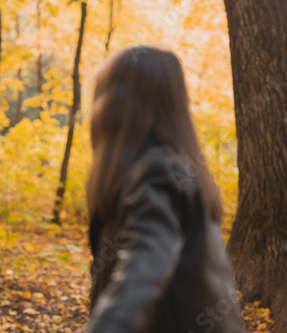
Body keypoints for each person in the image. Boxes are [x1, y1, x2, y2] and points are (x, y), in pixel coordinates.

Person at [86, 46, 244, 332]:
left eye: (102, 98)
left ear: (120, 107)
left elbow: (146, 263)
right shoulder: (168, 170)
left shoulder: (159, 172)